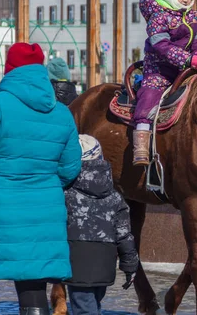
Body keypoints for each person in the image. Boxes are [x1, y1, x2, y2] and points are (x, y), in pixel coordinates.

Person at [0, 42, 82, 315]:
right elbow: (70, 168)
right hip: (43, 218)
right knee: (33, 287)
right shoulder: (62, 114)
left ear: (10, 70)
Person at [134, 0, 197, 166]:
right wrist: (188, 59)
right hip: (160, 69)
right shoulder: (158, 16)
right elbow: (161, 46)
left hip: (187, 69)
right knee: (149, 96)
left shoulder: (192, 16)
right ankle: (141, 140)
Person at [64, 135, 139, 315]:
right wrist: (130, 266)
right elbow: (124, 235)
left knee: (84, 309)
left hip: (77, 261)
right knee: (94, 306)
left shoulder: (66, 193)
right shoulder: (114, 196)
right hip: (105, 263)